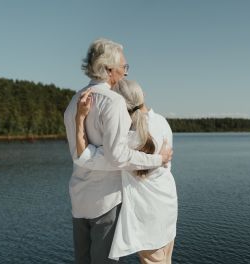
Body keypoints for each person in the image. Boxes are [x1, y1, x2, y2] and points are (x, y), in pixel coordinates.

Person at [63, 38, 173, 264]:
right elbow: (118, 156)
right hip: (106, 200)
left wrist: (88, 155)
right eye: (123, 67)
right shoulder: (113, 102)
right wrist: (157, 159)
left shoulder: (74, 101)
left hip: (79, 197)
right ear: (108, 69)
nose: (125, 72)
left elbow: (78, 154)